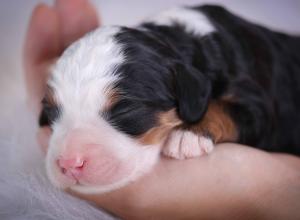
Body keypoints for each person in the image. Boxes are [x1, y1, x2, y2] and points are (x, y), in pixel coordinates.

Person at [23, 0, 300, 219]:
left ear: (189, 93)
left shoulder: (235, 67)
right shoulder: (156, 63)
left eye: (123, 111)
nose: (69, 158)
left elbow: (255, 116)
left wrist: (207, 126)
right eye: (55, 113)